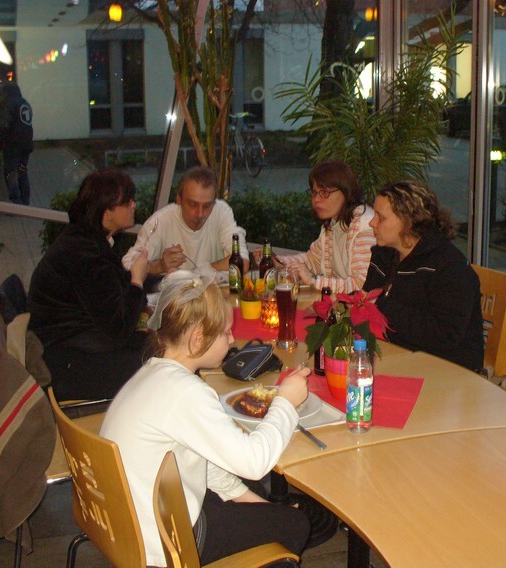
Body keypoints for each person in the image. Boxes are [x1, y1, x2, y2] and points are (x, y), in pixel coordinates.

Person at [100, 270, 311, 567]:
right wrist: (286, 401)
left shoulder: (153, 374)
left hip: (135, 522)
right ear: (198, 339)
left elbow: (203, 459)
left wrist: (256, 505)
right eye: (225, 333)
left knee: (255, 494)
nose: (232, 339)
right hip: (166, 541)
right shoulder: (185, 392)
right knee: (296, 524)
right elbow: (254, 463)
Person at [27, 169, 151, 401]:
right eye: (127, 201)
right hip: (67, 364)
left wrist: (145, 276)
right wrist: (137, 280)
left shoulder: (84, 239)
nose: (133, 205)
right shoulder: (86, 256)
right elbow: (120, 327)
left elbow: (112, 292)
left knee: (159, 348)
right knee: (163, 366)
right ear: (106, 213)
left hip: (72, 346)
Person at [364, 180, 484, 374]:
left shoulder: (449, 267)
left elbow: (446, 335)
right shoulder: (384, 254)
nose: (372, 223)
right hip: (399, 355)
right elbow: (369, 303)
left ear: (408, 222)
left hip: (447, 369)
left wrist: (381, 305)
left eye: (381, 217)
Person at [268, 160, 375, 293]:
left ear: (346, 192)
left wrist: (314, 281)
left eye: (324, 192)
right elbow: (314, 260)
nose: (316, 199)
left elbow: (362, 284)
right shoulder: (333, 224)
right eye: (314, 192)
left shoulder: (365, 226)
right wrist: (277, 262)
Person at [122, 166, 248, 275]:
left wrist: (194, 274)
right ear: (179, 200)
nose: (200, 214)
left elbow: (242, 261)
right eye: (193, 204)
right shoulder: (160, 221)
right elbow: (128, 265)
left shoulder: (221, 211)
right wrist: (159, 266)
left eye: (207, 206)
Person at [0, 83, 34, 205]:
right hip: (26, 144)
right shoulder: (25, 103)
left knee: (11, 172)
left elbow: (3, 126)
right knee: (22, 171)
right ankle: (25, 200)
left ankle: (16, 202)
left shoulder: (8, 104)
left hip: (12, 144)